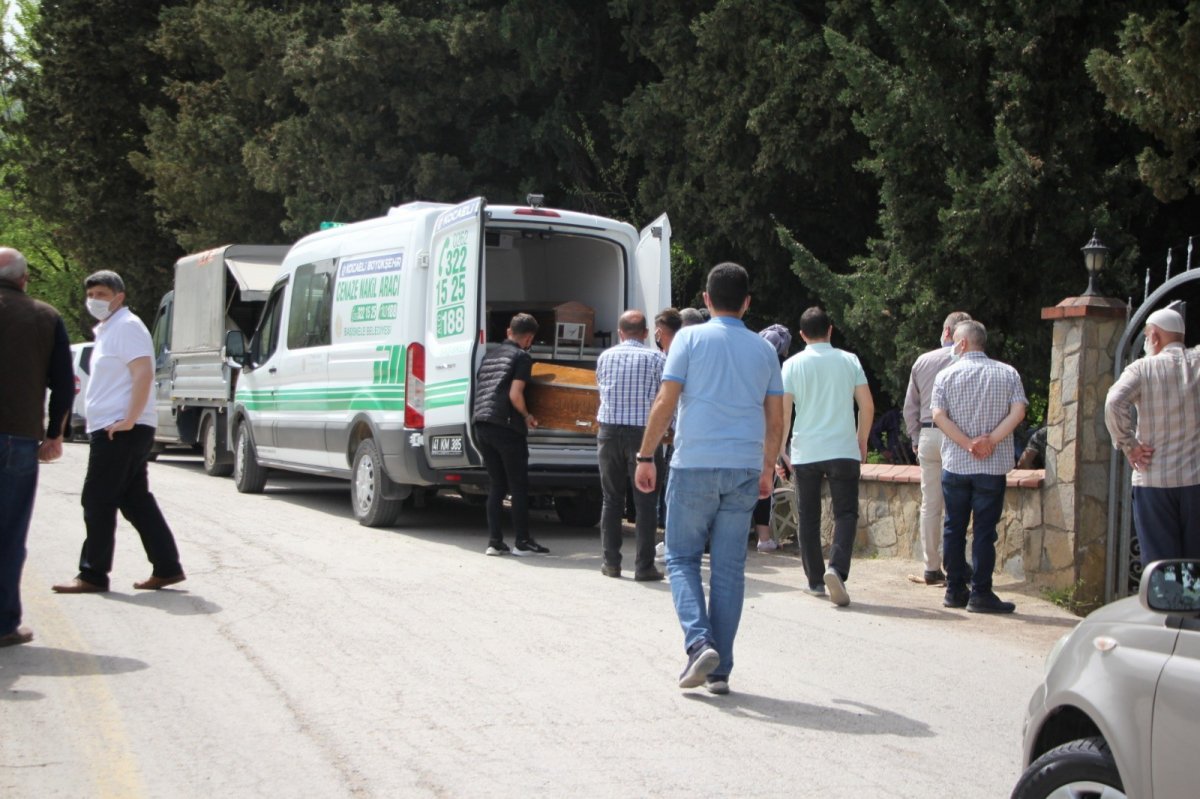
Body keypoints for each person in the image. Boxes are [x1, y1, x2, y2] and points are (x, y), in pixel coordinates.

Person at [634, 263, 783, 695]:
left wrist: (645, 455)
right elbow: (775, 418)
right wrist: (768, 466)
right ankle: (721, 671)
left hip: (694, 462)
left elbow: (666, 400)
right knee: (729, 569)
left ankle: (699, 642)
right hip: (743, 468)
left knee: (681, 558)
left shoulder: (689, 339)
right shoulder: (764, 351)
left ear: (705, 299)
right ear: (748, 302)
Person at [52, 270, 186, 594]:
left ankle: (92, 574)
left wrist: (129, 418)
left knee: (97, 498)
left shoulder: (126, 327)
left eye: (102, 294)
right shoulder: (109, 330)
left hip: (120, 428)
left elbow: (143, 373)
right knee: (135, 499)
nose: (95, 301)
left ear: (119, 297)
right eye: (92, 295)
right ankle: (167, 567)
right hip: (118, 426)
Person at [0, 248, 75, 646]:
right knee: (9, 532)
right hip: (17, 437)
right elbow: (63, 382)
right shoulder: (44, 316)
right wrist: (54, 434)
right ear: (24, 279)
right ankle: (3, 624)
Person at [780, 307, 873, 606]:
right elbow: (867, 406)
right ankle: (837, 568)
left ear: (802, 334)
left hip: (806, 450)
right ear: (830, 330)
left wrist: (782, 451)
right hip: (842, 448)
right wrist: (862, 440)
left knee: (808, 516)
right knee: (845, 513)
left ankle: (815, 581)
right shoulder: (849, 360)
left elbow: (784, 414)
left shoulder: (792, 365)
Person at [931, 320, 1026, 614]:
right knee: (985, 531)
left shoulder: (945, 376)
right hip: (992, 466)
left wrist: (967, 443)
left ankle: (954, 589)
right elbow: (1019, 411)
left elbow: (938, 416)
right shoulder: (1008, 373)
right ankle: (981, 593)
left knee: (954, 528)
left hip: (957, 465)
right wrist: (991, 441)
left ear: (960, 344)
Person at [1104, 307, 1200, 563]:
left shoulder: (1141, 369)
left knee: (1161, 563)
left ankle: (1166, 603)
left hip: (1153, 478)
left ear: (1155, 336)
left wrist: (1129, 445)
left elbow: (1114, 402)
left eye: (1147, 336)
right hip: (1196, 479)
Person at [472, 313, 550, 557]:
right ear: (528, 338)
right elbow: (515, 394)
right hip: (506, 427)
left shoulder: (490, 355)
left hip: (481, 424)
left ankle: (494, 542)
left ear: (509, 332)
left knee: (497, 484)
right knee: (518, 485)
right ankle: (522, 542)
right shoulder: (521, 357)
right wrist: (527, 416)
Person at [903, 311, 972, 586]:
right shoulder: (968, 361)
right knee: (959, 503)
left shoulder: (923, 360)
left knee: (930, 504)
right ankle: (956, 563)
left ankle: (931, 567)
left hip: (929, 434)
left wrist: (915, 438)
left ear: (945, 331)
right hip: (957, 434)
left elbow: (910, 406)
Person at [595, 310, 665, 580]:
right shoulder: (658, 358)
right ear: (646, 333)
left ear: (620, 332)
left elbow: (601, 388)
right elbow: (664, 398)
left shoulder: (605, 357)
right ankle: (644, 566)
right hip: (644, 435)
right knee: (646, 500)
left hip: (609, 433)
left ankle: (611, 563)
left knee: (611, 499)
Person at [753, 323, 791, 553]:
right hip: (764, 435)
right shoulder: (777, 370)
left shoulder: (747, 362)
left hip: (743, 432)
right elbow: (778, 415)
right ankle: (763, 537)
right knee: (764, 485)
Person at [653, 308, 683, 554]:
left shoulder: (672, 357)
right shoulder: (685, 353)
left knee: (672, 489)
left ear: (662, 332)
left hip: (678, 433)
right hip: (685, 431)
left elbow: (666, 401)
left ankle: (672, 541)